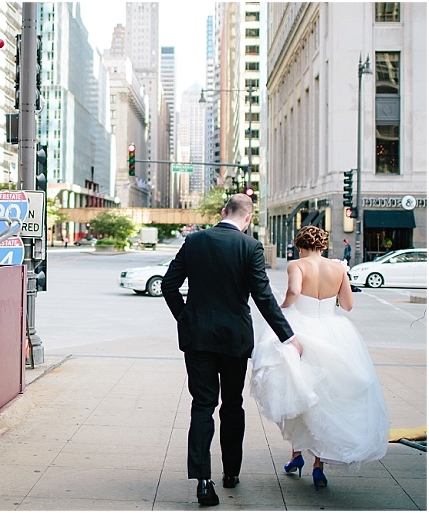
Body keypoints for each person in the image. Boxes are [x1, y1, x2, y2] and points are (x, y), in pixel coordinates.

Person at [161, 194, 298, 506]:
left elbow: (169, 286)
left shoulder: (193, 242)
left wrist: (185, 318)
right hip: (235, 339)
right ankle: (231, 472)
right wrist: (288, 337)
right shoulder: (250, 247)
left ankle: (203, 481)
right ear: (247, 219)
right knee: (233, 405)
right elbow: (264, 298)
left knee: (202, 405)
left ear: (223, 212)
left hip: (197, 339)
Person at [250, 226, 389, 492]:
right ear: (323, 246)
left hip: (301, 330)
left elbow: (293, 291)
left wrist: (283, 308)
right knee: (325, 396)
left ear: (300, 245)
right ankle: (318, 465)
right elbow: (348, 305)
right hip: (332, 331)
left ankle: (295, 455)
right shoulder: (338, 269)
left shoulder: (297, 264)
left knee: (298, 391)